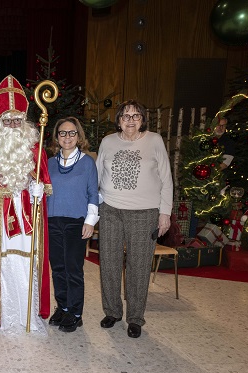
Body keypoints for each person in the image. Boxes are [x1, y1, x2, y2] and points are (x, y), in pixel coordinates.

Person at [0, 75, 52, 332]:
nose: (13, 125)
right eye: (8, 120)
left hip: (28, 222)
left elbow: (44, 184)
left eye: (17, 120)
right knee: (3, 263)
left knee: (28, 260)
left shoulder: (36, 151)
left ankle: (28, 311)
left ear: (24, 122)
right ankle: (2, 313)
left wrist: (38, 190)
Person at [96, 100, 173, 338]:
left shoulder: (155, 141)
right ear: (119, 120)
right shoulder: (108, 141)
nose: (130, 120)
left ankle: (135, 318)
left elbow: (167, 179)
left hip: (144, 212)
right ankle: (112, 312)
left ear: (142, 120)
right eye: (126, 116)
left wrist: (165, 213)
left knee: (138, 266)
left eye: (136, 116)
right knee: (109, 262)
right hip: (110, 210)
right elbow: (96, 175)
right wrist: (92, 209)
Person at [47, 117, 99, 333]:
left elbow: (93, 193)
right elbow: (44, 189)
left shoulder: (87, 163)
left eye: (71, 133)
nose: (67, 137)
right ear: (57, 137)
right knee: (58, 268)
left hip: (76, 222)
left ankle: (76, 313)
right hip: (52, 220)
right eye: (62, 133)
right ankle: (63, 306)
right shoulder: (50, 163)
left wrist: (90, 221)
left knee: (73, 268)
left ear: (78, 136)